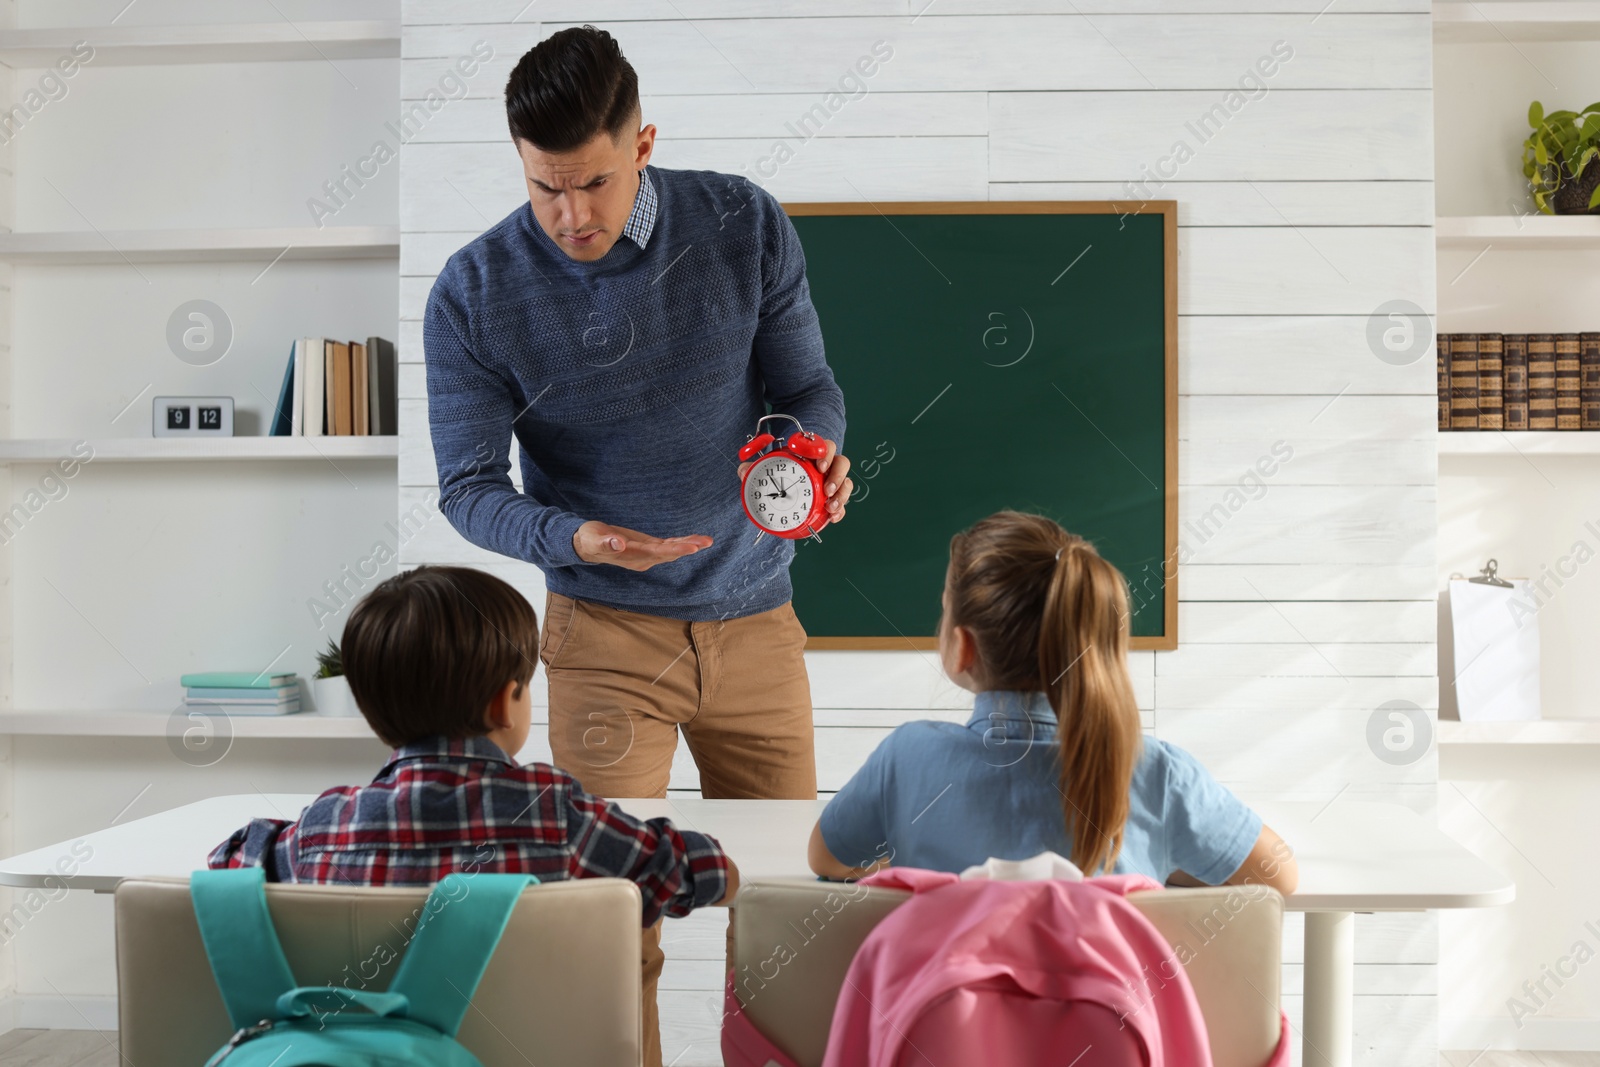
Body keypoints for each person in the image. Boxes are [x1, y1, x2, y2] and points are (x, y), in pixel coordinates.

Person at [423, 28, 849, 1063]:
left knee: (788, 915)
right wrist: (573, 535)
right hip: (605, 637)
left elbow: (807, 392)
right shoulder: (473, 290)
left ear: (644, 142)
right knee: (611, 919)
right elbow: (468, 490)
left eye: (593, 183)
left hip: (755, 622)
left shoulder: (741, 222)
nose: (569, 216)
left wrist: (819, 455)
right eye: (543, 188)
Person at [207, 565, 738, 943]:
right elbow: (705, 871)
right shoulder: (556, 816)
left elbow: (232, 867)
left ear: (372, 713)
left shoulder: (324, 828)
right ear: (506, 703)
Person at [808, 510, 1298, 895]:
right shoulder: (1156, 775)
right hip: (1108, 1025)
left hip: (945, 1024)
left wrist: (911, 854)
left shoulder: (907, 759)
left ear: (963, 646)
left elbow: (827, 859)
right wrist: (1168, 860)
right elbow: (1279, 875)